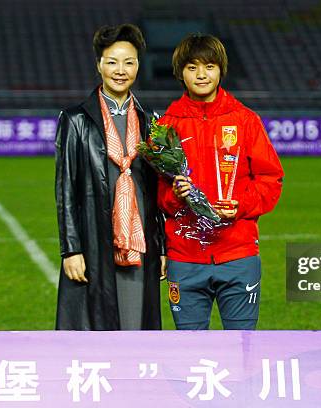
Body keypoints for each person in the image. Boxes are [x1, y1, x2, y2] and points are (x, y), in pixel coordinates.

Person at [157, 33, 284, 330]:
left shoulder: (245, 121)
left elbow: (271, 179)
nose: (201, 75)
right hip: (185, 256)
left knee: (243, 348)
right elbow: (156, 195)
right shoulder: (166, 127)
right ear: (180, 72)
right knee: (191, 352)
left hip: (237, 254)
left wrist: (240, 206)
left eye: (209, 66)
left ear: (221, 69)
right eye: (192, 67)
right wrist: (176, 195)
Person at [55, 24, 164, 330]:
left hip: (140, 239)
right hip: (94, 237)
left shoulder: (150, 120)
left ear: (138, 66)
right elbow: (66, 189)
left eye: (129, 62)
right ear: (99, 65)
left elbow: (159, 190)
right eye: (112, 61)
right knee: (96, 329)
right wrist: (71, 249)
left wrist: (164, 247)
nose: (121, 70)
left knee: (137, 321)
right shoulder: (76, 119)